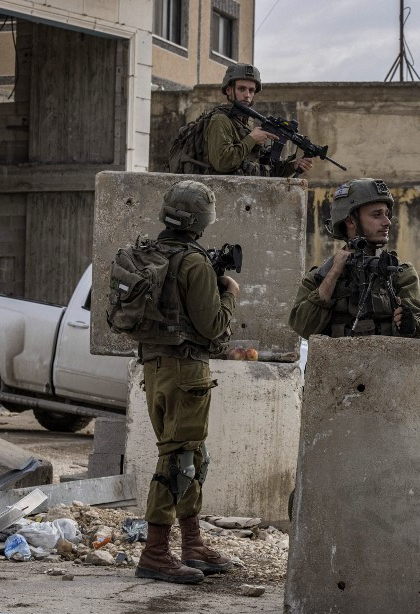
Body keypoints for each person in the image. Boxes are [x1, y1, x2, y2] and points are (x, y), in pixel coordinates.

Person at [135, 180, 239, 584]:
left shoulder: (151, 252)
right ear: (202, 221)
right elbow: (212, 327)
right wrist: (229, 293)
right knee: (178, 459)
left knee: (190, 455)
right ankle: (155, 553)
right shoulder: (193, 262)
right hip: (186, 370)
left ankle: (192, 544)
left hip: (154, 367)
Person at [288, 178, 420, 339]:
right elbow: (303, 328)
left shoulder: (399, 273)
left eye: (387, 214)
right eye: (377, 215)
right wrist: (333, 274)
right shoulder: (319, 277)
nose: (387, 222)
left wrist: (409, 324)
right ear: (350, 221)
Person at [203, 63, 313, 177]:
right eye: (242, 89)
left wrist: (294, 166)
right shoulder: (220, 119)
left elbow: (268, 173)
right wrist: (252, 139)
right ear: (228, 90)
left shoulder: (241, 123)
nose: (247, 95)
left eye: (251, 90)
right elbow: (222, 163)